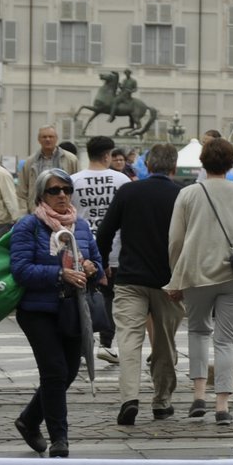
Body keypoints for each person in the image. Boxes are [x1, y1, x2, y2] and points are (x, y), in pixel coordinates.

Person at [164, 137, 233, 427]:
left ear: (203, 163)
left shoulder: (188, 194)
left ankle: (198, 396)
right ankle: (222, 404)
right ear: (232, 163)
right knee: (226, 339)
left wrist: (175, 276)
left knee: (197, 331)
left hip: (196, 273)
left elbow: (175, 240)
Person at [9, 168, 103, 458]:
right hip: (38, 310)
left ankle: (28, 420)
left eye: (66, 189)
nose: (62, 194)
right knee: (54, 371)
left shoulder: (82, 227)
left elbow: (98, 264)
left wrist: (91, 267)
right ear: (41, 195)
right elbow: (20, 269)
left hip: (72, 310)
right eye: (54, 190)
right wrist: (59, 274)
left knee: (69, 371)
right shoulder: (29, 226)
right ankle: (59, 439)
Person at [97, 143, 182, 425]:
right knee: (164, 344)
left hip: (130, 278)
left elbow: (105, 232)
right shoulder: (182, 194)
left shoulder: (128, 191)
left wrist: (103, 265)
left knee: (129, 341)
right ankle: (161, 401)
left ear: (148, 164)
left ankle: (129, 399)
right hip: (169, 282)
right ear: (173, 167)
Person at [70, 134, 129, 363]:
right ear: (108, 155)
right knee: (111, 298)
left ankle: (84, 345)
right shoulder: (122, 181)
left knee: (82, 298)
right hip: (114, 249)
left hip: (82, 249)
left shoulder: (73, 180)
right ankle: (106, 343)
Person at [17, 125, 78, 211]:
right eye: (44, 137)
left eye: (51, 137)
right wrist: (23, 214)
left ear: (56, 139)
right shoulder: (29, 162)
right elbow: (22, 192)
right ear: (39, 140)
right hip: (37, 211)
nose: (48, 139)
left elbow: (76, 187)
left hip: (64, 211)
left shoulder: (71, 160)